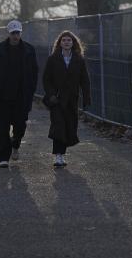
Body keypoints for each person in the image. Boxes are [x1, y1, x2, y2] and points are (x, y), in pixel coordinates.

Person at [0, 20, 39, 168]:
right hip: (2, 97)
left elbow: (34, 71)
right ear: (8, 34)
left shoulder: (29, 50)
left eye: (18, 33)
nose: (15, 36)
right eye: (13, 33)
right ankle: (3, 158)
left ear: (21, 33)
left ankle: (15, 144)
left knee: (20, 126)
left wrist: (31, 90)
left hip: (21, 97)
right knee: (2, 128)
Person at [42, 30, 91, 167]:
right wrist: (51, 94)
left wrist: (86, 98)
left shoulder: (79, 60)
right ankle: (58, 155)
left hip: (72, 100)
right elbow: (46, 79)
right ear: (59, 43)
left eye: (69, 40)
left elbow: (85, 80)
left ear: (73, 43)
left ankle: (62, 154)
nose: (66, 42)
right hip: (57, 100)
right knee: (58, 126)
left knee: (69, 125)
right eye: (64, 40)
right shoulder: (53, 59)